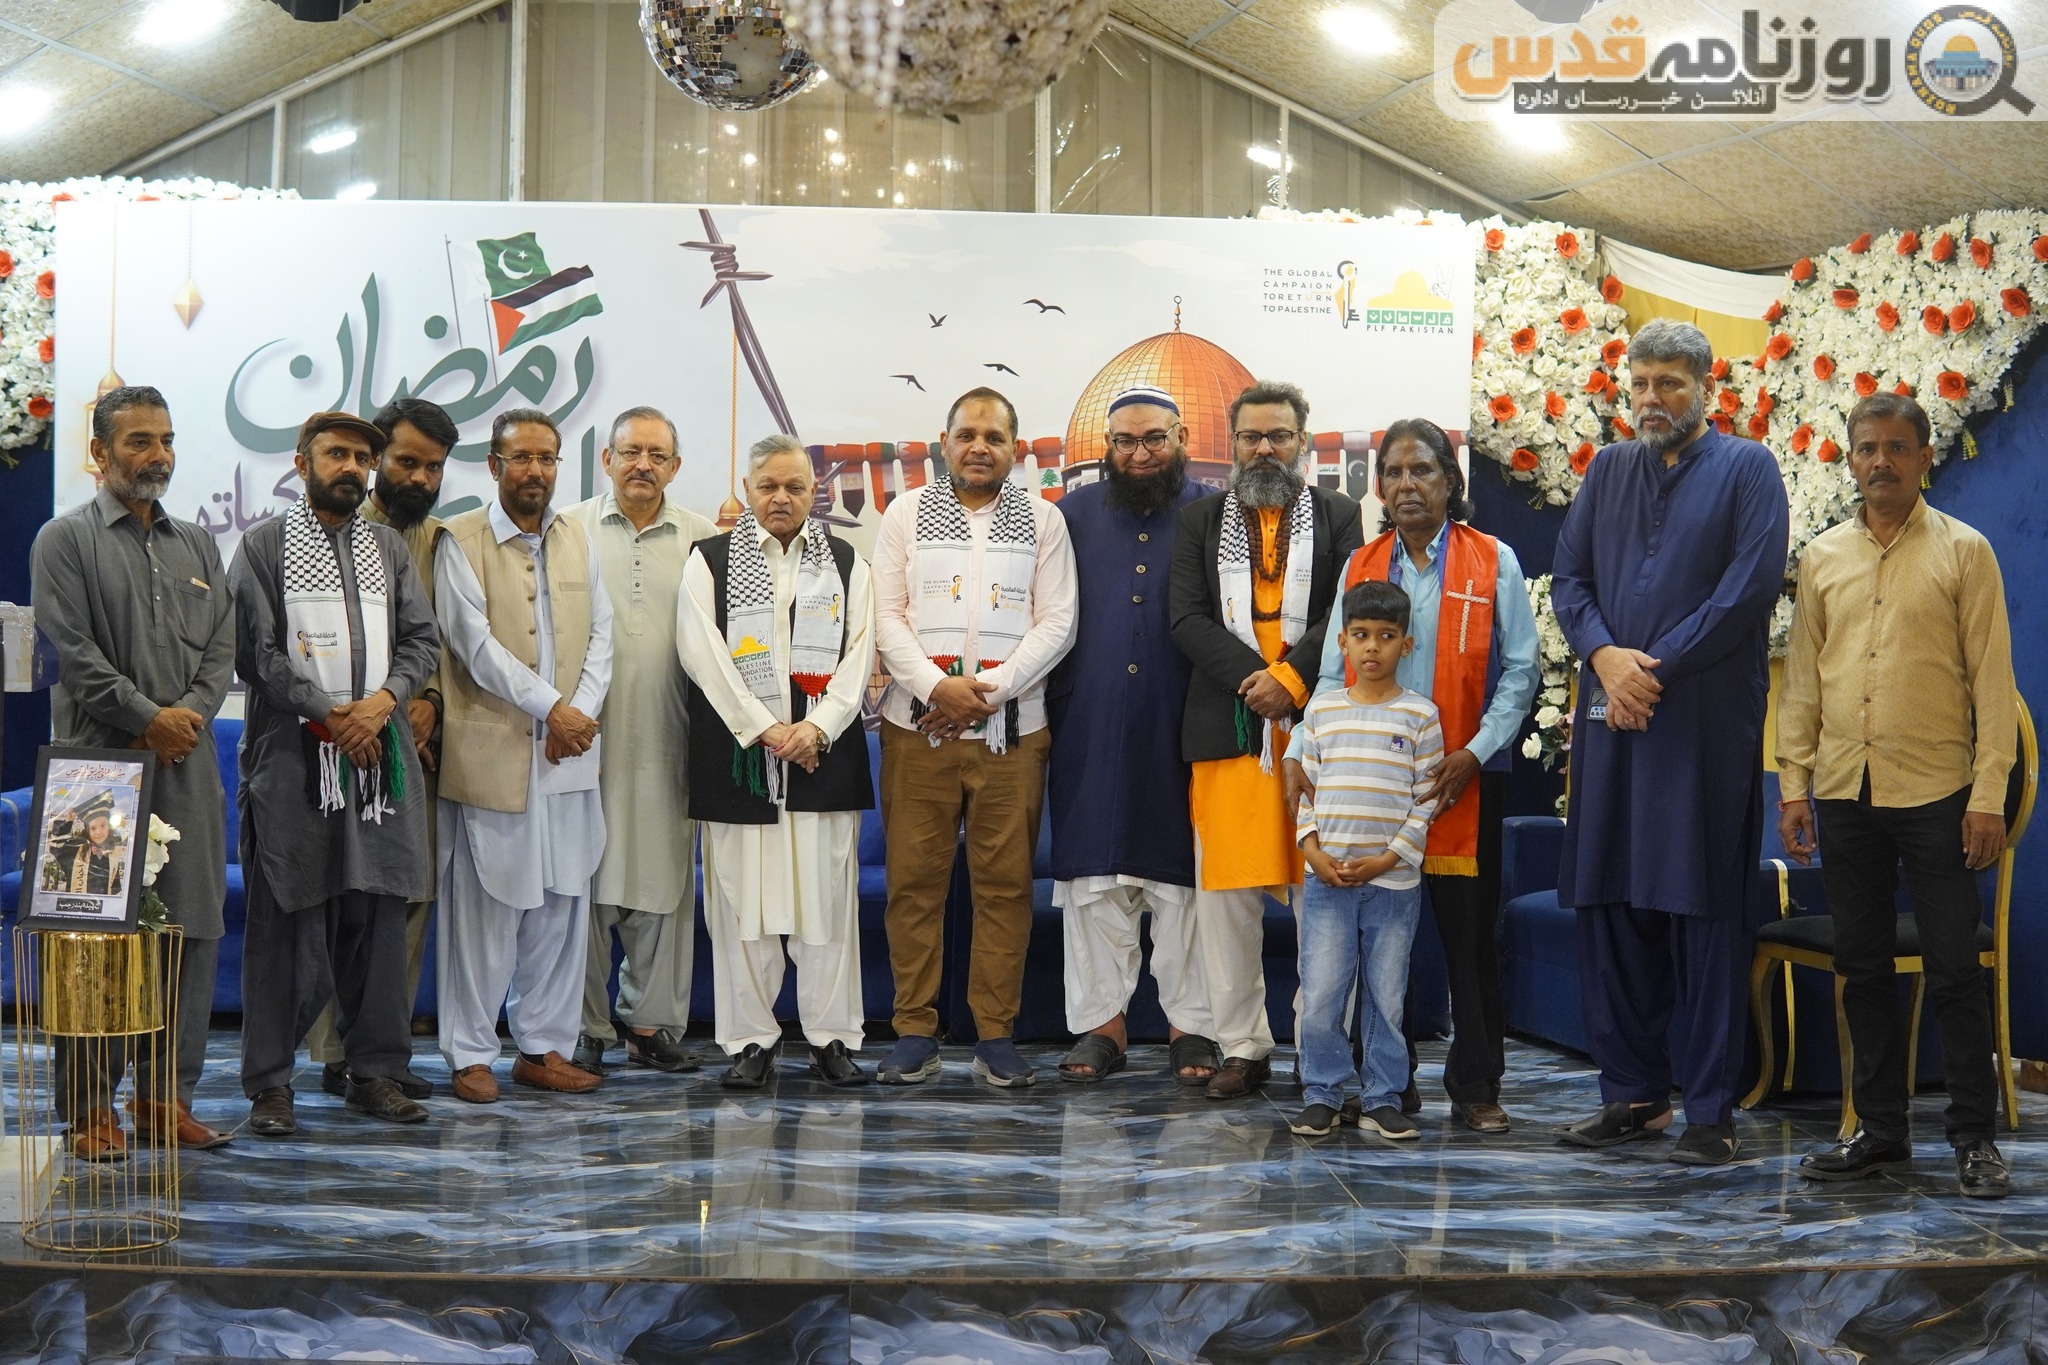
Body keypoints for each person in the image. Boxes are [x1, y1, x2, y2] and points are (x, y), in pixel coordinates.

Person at [1550, 318, 1789, 1166]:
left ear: (1706, 389)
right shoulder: (1608, 469)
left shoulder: (1749, 468)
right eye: (1641, 383)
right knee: (1610, 902)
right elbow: (1570, 579)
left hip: (1699, 727)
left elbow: (1747, 589)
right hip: (1613, 721)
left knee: (1703, 909)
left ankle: (1710, 1111)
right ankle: (1634, 1094)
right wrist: (1605, 658)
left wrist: (1650, 671)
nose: (1651, 398)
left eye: (1669, 383)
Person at [1779, 393, 2016, 1199]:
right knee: (1863, 967)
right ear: (1850, 459)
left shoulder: (1965, 551)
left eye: (1896, 447)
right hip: (1845, 789)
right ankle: (1880, 1133)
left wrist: (1988, 794)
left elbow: (1992, 683)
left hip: (1940, 794)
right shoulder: (1822, 558)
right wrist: (1793, 785)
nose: (1880, 460)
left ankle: (1974, 1139)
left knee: (1953, 969)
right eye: (1866, 447)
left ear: (1923, 458)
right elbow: (1803, 682)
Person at [1283, 420, 1538, 1132]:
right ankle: (1382, 1086)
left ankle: (1476, 1084)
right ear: (1379, 487)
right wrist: (1299, 749)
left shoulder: (1493, 559)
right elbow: (1330, 676)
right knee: (1375, 945)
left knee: (1467, 940)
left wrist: (1475, 752)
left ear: (1450, 480)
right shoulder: (1361, 564)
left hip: (1459, 777)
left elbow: (1522, 671)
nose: (1406, 485)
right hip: (1365, 779)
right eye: (1392, 473)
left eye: (1421, 470)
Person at [30, 384, 235, 1156]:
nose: (158, 455)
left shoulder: (198, 545)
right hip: (94, 775)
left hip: (186, 765)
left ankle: (163, 1098)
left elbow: (222, 647)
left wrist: (186, 716)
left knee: (189, 936)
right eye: (139, 440)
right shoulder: (64, 539)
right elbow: (73, 652)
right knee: (92, 944)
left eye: (167, 440)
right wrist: (146, 716)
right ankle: (89, 1109)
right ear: (100, 452)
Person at [229, 411, 441, 1134]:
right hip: (294, 762)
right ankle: (270, 1085)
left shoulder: (388, 547)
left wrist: (380, 704)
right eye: (337, 454)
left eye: (361, 457)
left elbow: (421, 640)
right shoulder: (263, 545)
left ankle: (374, 1072)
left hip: (378, 759)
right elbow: (255, 653)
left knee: (377, 918)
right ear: (302, 462)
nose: (351, 467)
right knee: (285, 924)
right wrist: (329, 714)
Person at [872, 387, 1077, 1088]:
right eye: (967, 435)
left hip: (1012, 735)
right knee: (913, 885)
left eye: (994, 437)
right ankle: (913, 1029)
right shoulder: (905, 513)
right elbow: (886, 617)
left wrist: (983, 693)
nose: (979, 447)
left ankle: (995, 1032)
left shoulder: (1044, 520)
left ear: (1016, 449)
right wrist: (938, 688)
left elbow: (1058, 621)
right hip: (917, 731)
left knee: (1005, 887)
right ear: (945, 442)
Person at [1169, 380, 1363, 1100]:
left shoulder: (1340, 514)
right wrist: (1259, 681)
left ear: (1302, 442)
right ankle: (1242, 1045)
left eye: (1279, 436)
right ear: (1233, 445)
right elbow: (1186, 619)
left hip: (1318, 730)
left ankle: (1320, 1046)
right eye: (1251, 436)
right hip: (1230, 727)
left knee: (1324, 897)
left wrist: (1291, 677)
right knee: (1227, 900)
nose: (1264, 449)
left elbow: (1347, 611)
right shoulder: (1200, 520)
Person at [678, 435, 876, 1089]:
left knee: (827, 904)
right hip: (740, 758)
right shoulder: (709, 560)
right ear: (748, 489)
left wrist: (816, 728)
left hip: (823, 758)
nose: (781, 498)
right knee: (742, 905)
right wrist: (763, 728)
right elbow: (700, 652)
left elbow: (859, 653)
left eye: (795, 486)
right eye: (768, 486)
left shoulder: (847, 562)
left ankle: (831, 1038)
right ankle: (750, 1042)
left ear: (814, 492)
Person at [434, 407, 614, 1102]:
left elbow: (602, 636)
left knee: (564, 901)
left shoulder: (577, 537)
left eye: (547, 458)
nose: (535, 471)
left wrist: (580, 714)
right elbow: (474, 646)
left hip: (569, 751)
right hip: (496, 750)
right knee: (486, 907)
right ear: (494, 465)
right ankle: (471, 1053)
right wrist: (553, 709)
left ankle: (543, 1047)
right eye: (522, 458)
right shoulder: (460, 539)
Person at [1047, 385, 1216, 1085]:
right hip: (1090, 718)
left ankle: (1192, 1026)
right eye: (1125, 441)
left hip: (1185, 719)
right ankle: (1101, 1026)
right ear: (1107, 447)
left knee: (1188, 882)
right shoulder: (1070, 515)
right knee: (1094, 880)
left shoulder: (1214, 512)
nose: (1140, 454)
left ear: (1181, 439)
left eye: (1154, 439)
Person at [305, 396, 455, 1103]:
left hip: (413, 751)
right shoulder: (331, 530)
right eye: (406, 461)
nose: (419, 478)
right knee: (343, 898)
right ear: (376, 460)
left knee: (405, 901)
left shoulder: (442, 542)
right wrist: (364, 714)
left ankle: (382, 1051)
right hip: (340, 742)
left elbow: (447, 642)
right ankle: (336, 1053)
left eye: (434, 467)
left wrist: (432, 703)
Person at [566, 407, 714, 1076]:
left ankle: (652, 1024)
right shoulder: (568, 531)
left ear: (675, 467)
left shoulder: (704, 540)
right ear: (607, 459)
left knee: (664, 887)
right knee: (583, 885)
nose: (643, 465)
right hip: (581, 743)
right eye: (631, 452)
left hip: (670, 739)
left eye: (657, 455)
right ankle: (583, 1025)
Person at [1289, 581, 1442, 1139]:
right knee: (1323, 991)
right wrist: (1312, 852)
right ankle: (1322, 1092)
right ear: (1343, 643)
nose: (1372, 646)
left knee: (1386, 996)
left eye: (1386, 636)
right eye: (1360, 635)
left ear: (1406, 644)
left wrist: (1387, 860)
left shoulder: (1420, 715)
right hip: (1327, 881)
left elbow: (1426, 803)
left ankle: (1381, 1096)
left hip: (1393, 885)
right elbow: (1305, 794)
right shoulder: (1321, 711)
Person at [40, 795, 127, 895]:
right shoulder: (76, 849)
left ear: (109, 827)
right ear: (87, 830)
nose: (99, 832)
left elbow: (115, 889)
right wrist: (68, 823)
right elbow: (55, 846)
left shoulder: (112, 854)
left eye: (103, 826)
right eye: (93, 828)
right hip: (75, 903)